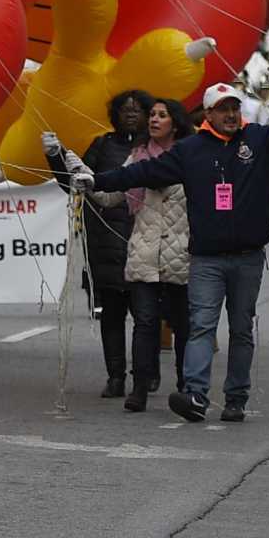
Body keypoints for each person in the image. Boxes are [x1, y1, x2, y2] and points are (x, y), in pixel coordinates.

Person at [72, 60, 269, 423]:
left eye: (235, 107)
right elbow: (141, 172)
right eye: (223, 110)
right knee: (201, 325)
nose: (231, 115)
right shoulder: (191, 151)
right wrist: (98, 181)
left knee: (240, 330)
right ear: (208, 114)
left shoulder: (260, 139)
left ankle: (235, 397)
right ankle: (196, 396)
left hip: (248, 256)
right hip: (205, 259)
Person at [48, 90, 146, 396]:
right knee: (113, 315)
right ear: (114, 114)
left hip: (146, 243)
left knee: (147, 317)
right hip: (107, 244)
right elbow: (74, 185)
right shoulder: (101, 146)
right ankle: (115, 376)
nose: (131, 114)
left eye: (137, 109)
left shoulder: (155, 149)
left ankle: (145, 374)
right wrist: (54, 157)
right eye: (124, 109)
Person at [105, 96, 191, 411]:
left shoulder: (191, 157)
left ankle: (188, 386)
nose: (154, 120)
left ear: (176, 123)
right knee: (144, 322)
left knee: (184, 326)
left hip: (181, 255)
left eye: (162, 115)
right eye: (151, 115)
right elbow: (111, 195)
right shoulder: (137, 157)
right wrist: (72, 171)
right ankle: (139, 388)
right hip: (143, 252)